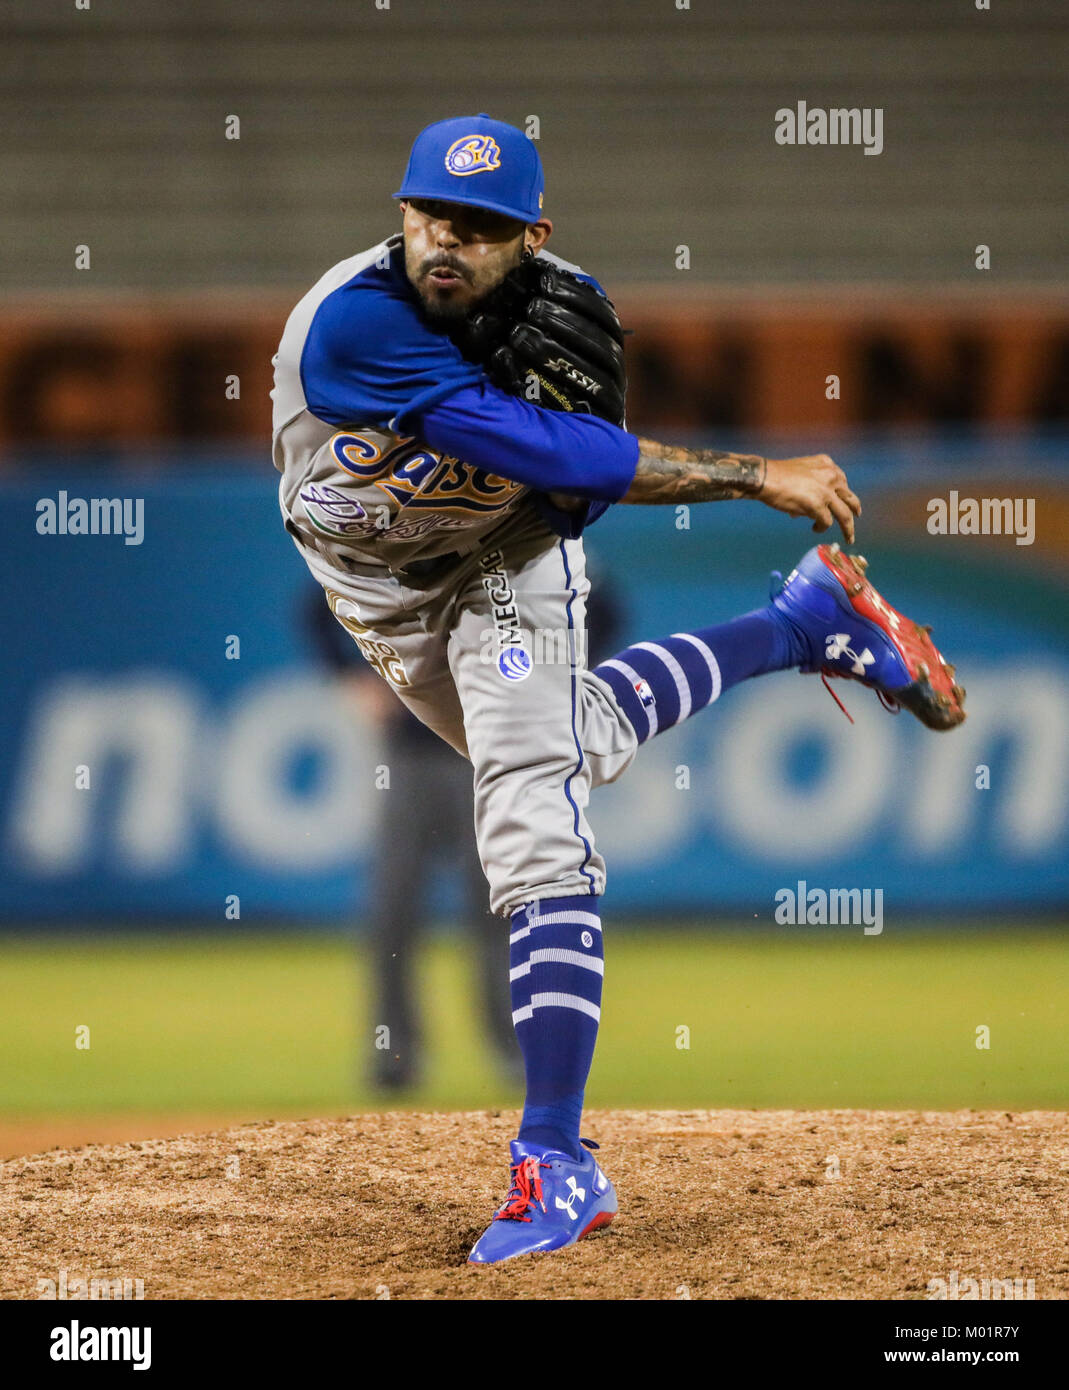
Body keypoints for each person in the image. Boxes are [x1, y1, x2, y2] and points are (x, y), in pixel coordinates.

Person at [270, 114, 965, 1265]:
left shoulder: (562, 311)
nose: (450, 239)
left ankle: (554, 1162)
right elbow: (573, 458)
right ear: (401, 212)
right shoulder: (353, 325)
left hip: (502, 557)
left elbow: (565, 490)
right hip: (373, 584)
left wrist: (575, 465)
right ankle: (802, 624)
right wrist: (753, 473)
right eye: (434, 213)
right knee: (577, 735)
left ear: (531, 235)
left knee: (535, 814)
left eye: (484, 227)